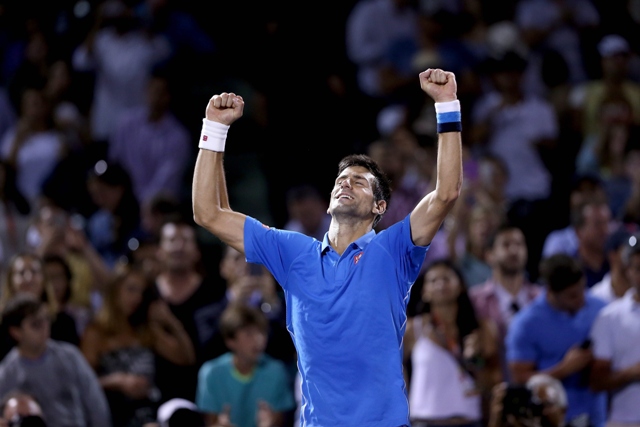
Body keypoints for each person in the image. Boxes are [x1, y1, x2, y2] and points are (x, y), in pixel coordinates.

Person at [192, 67, 462, 426]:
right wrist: (214, 129)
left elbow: (446, 192)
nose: (346, 183)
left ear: (379, 207)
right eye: (341, 179)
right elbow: (208, 213)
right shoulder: (292, 252)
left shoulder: (394, 248)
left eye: (360, 182)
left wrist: (446, 105)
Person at [505, 254, 608, 427]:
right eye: (573, 296)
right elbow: (519, 379)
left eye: (583, 289)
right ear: (551, 292)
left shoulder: (601, 309)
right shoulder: (526, 324)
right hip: (552, 420)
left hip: (598, 417)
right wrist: (564, 369)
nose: (582, 299)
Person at [403, 260, 498, 427]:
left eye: (446, 278)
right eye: (433, 281)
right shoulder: (412, 329)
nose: (440, 284)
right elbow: (393, 370)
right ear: (425, 291)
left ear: (460, 285)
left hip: (469, 421)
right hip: (424, 421)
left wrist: (475, 360)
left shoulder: (481, 329)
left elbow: (492, 385)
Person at [0, 293, 111, 427]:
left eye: (46, 320)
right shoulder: (7, 374)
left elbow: (96, 404)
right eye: (36, 324)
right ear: (15, 332)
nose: (45, 328)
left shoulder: (70, 356)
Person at [195, 303, 296, 427]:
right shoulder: (211, 373)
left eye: (262, 333)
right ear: (230, 341)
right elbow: (211, 422)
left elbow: (279, 422)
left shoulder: (276, 371)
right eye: (249, 334)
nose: (259, 340)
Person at [589, 236, 640, 427]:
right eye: (638, 269)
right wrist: (632, 373)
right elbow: (597, 381)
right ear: (629, 271)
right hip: (624, 420)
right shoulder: (609, 317)